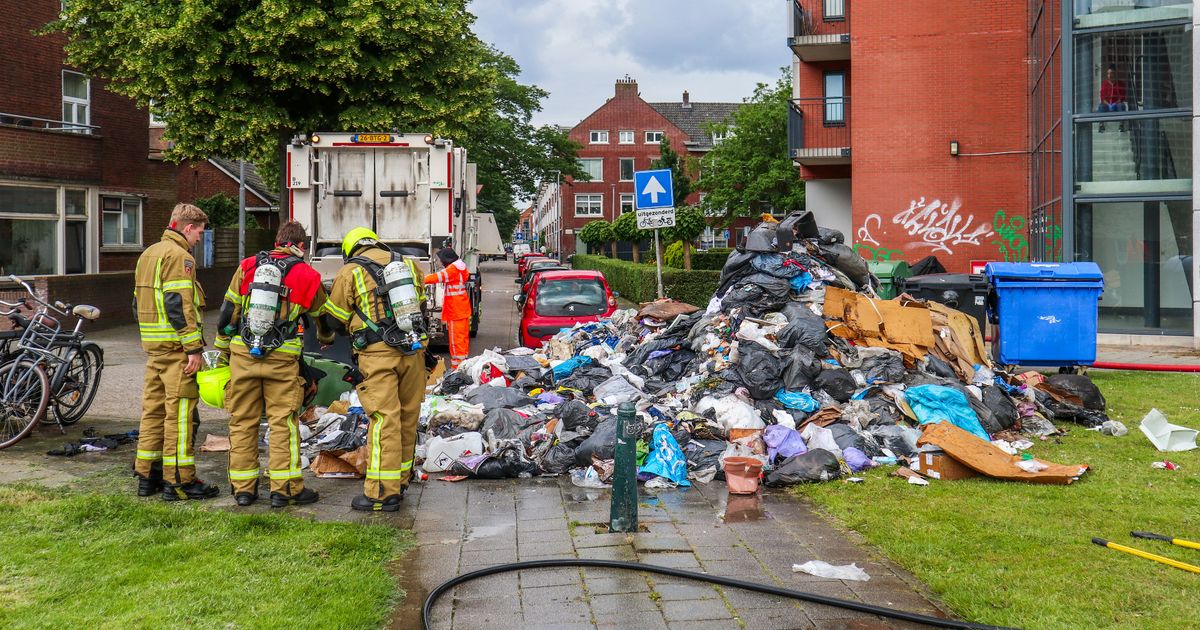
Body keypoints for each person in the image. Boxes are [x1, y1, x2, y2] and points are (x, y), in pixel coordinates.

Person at [215, 221, 334, 507]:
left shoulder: (247, 266)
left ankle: (243, 489)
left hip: (243, 354)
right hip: (282, 358)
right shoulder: (308, 274)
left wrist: (222, 351)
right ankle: (286, 490)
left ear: (278, 240)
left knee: (243, 421)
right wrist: (326, 337)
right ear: (301, 246)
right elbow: (322, 318)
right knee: (283, 422)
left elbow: (228, 312)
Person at [324, 228, 428, 511]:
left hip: (377, 354)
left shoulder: (351, 272)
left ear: (351, 250)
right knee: (407, 418)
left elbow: (335, 320)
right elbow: (419, 305)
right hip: (413, 351)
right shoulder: (408, 265)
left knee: (384, 420)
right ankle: (401, 481)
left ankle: (381, 492)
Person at [133, 203, 218, 501]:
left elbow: (138, 303)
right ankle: (179, 481)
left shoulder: (148, 254)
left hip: (153, 349)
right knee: (180, 415)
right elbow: (178, 305)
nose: (199, 239)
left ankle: (147, 476)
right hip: (175, 351)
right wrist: (193, 347)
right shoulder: (180, 257)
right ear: (186, 227)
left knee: (153, 412)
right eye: (199, 232)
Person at [424, 247, 471, 369]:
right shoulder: (461, 268)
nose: (440, 262)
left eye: (440, 260)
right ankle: (463, 367)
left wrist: (418, 279)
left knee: (456, 343)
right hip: (461, 309)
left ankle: (457, 370)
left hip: (455, 310)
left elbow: (436, 277)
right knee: (462, 341)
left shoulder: (453, 269)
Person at [1098, 65, 1127, 131]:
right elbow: (1102, 97)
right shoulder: (1105, 84)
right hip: (1107, 105)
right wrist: (1108, 104)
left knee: (1122, 105)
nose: (1109, 75)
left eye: (1111, 73)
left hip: (1116, 105)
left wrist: (1114, 103)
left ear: (1115, 74)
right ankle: (1101, 125)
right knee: (1101, 106)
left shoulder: (1120, 83)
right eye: (1108, 73)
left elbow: (1122, 97)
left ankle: (1121, 124)